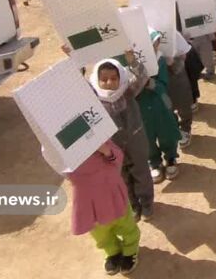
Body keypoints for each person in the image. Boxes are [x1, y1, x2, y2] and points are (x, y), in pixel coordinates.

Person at [87, 57, 156, 223]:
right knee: (122, 177)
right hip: (113, 147)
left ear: (121, 78)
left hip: (136, 141)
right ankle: (133, 205)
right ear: (97, 81)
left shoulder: (128, 91)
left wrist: (132, 61)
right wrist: (74, 61)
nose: (109, 83)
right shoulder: (94, 98)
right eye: (104, 80)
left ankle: (146, 203)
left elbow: (142, 77)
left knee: (141, 173)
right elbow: (77, 87)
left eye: (114, 78)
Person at [65, 140, 140, 275]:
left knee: (123, 221)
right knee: (98, 229)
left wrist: (105, 150)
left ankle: (130, 249)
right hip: (86, 195)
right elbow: (56, 164)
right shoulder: (55, 143)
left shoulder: (96, 133)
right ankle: (112, 252)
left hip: (110, 188)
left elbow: (118, 157)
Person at [161, 0, 200, 149]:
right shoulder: (164, 3)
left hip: (183, 58)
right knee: (166, 103)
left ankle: (186, 125)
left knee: (186, 92)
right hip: (162, 73)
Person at [136, 29, 181, 183]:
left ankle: (171, 159)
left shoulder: (159, 60)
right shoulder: (131, 64)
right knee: (146, 136)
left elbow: (163, 83)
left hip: (161, 103)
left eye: (156, 44)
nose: (155, 47)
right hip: (141, 107)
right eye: (151, 44)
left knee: (166, 131)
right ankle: (154, 162)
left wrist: (151, 84)